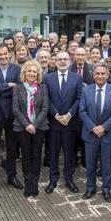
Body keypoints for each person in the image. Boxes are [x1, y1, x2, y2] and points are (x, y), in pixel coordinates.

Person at [79, 64, 111, 202]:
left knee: (106, 164)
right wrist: (93, 128)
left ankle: (106, 189)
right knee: (90, 164)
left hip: (108, 134)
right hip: (90, 133)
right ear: (93, 75)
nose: (100, 76)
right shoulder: (86, 90)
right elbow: (82, 111)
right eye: (97, 73)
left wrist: (103, 127)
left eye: (103, 73)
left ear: (108, 74)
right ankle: (90, 188)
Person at [43, 51, 84, 194]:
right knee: (53, 154)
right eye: (59, 59)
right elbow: (46, 99)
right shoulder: (47, 78)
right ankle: (52, 180)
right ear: (55, 62)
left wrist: (69, 114)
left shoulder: (77, 78)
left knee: (69, 154)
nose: (62, 61)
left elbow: (79, 98)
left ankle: (69, 179)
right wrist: (55, 115)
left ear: (69, 61)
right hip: (54, 123)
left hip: (70, 123)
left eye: (65, 59)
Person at [0, 44, 23, 192]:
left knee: (12, 148)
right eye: (0, 54)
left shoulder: (17, 69)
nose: (3, 56)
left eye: (5, 54)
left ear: (9, 54)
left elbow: (19, 87)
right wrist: (7, 85)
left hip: (12, 114)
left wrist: (0, 88)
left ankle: (12, 176)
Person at [12, 60, 49, 197]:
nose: (32, 73)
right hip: (22, 127)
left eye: (34, 71)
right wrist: (27, 125)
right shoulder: (18, 88)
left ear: (38, 74)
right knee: (26, 156)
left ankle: (35, 182)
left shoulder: (43, 88)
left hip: (39, 127)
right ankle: (28, 182)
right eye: (29, 71)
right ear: (24, 73)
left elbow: (45, 108)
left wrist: (34, 125)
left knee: (36, 155)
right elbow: (15, 109)